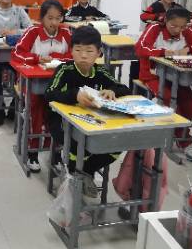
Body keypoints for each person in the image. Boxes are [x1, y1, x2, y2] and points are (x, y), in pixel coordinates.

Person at [45, 27, 131, 198]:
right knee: (78, 146)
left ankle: (84, 172)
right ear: (71, 51)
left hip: (92, 122)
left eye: (89, 51)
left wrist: (112, 90)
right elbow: (49, 93)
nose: (83, 56)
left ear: (99, 53)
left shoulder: (100, 72)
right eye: (78, 50)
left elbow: (124, 88)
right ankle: (75, 176)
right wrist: (74, 95)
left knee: (116, 145)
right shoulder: (65, 70)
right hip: (61, 123)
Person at [136, 7, 192, 163]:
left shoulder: (187, 31)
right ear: (166, 21)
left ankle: (177, 132)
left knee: (191, 107)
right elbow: (140, 48)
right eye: (174, 26)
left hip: (178, 77)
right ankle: (184, 140)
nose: (178, 30)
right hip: (153, 75)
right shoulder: (154, 28)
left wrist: (190, 49)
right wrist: (162, 52)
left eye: (182, 27)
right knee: (170, 101)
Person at [12, 0, 72, 171]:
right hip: (32, 82)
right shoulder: (33, 32)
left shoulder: (66, 33)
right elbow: (17, 53)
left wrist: (56, 58)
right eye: (50, 18)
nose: (54, 22)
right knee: (36, 110)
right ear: (42, 18)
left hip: (58, 83)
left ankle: (56, 153)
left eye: (58, 18)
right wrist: (37, 58)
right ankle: (33, 152)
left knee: (60, 114)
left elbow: (74, 54)